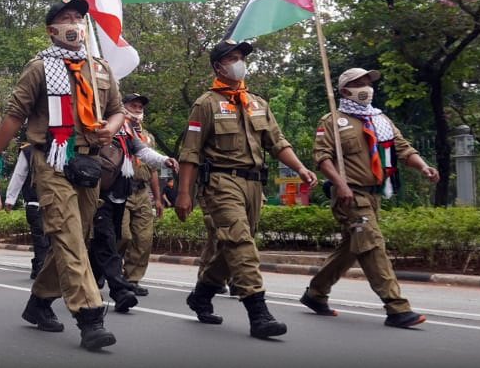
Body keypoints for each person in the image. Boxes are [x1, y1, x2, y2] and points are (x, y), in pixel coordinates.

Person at [0, 0, 124, 351]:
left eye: (78, 17)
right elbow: (14, 117)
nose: (74, 23)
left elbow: (117, 111)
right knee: (68, 235)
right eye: (65, 18)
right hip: (52, 160)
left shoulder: (99, 67)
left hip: (90, 164)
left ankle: (39, 302)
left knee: (76, 236)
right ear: (51, 30)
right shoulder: (39, 68)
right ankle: (90, 317)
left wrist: (111, 128)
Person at [175, 39, 317, 339]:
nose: (239, 62)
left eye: (241, 57)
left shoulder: (257, 103)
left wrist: (301, 168)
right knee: (240, 243)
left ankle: (201, 295)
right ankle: (258, 312)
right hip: (221, 182)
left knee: (232, 246)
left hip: (253, 184)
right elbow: (190, 153)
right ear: (218, 67)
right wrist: (184, 193)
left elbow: (277, 142)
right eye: (232, 58)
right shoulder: (205, 104)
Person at [301, 68, 439, 328]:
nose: (366, 87)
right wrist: (341, 184)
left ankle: (315, 293)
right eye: (359, 83)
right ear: (344, 91)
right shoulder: (332, 121)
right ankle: (397, 307)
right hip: (350, 195)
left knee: (351, 249)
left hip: (373, 195)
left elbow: (402, 148)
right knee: (372, 244)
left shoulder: (380, 119)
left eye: (368, 82)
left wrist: (423, 167)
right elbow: (322, 158)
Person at [87, 107, 176, 314]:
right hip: (96, 192)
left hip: (120, 193)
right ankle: (119, 291)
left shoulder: (127, 130)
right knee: (108, 239)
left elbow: (142, 151)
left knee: (109, 239)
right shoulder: (93, 122)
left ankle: (92, 279)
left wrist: (164, 160)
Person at [116, 93, 171, 296]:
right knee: (122, 236)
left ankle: (131, 279)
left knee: (144, 238)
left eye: (140, 106)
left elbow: (152, 169)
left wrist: (157, 198)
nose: (138, 109)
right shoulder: (116, 130)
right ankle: (110, 269)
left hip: (141, 192)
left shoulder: (148, 137)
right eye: (133, 105)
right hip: (120, 189)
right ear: (123, 107)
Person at [5, 144, 50, 279]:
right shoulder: (28, 151)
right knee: (41, 239)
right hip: (35, 203)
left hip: (54, 204)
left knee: (48, 240)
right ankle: (40, 268)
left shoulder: (61, 146)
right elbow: (19, 174)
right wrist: (10, 198)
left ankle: (41, 267)